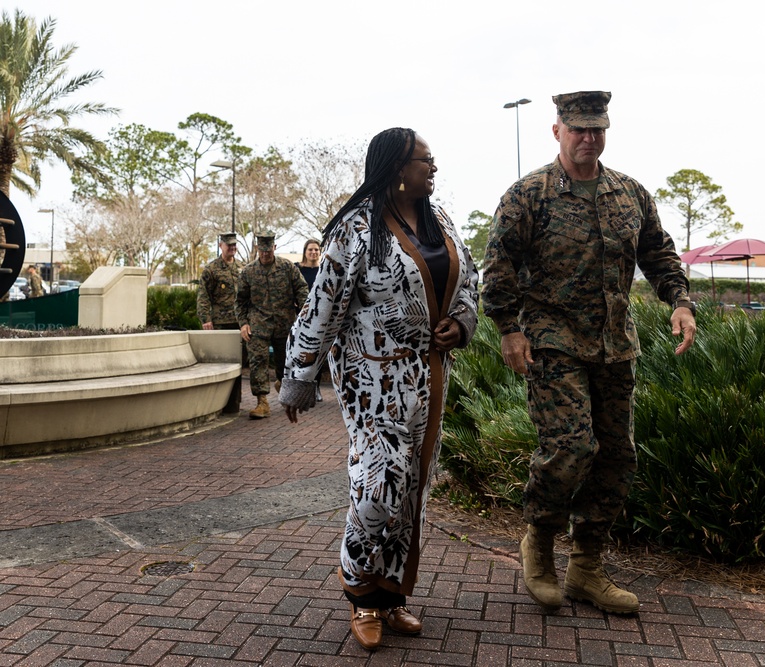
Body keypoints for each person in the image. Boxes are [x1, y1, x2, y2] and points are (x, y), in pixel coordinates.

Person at [481, 91, 696, 616]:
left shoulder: (630, 194)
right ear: (557, 131)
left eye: (597, 128)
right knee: (572, 446)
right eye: (578, 129)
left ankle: (586, 568)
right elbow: (499, 265)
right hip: (552, 342)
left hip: (615, 344)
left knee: (618, 456)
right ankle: (540, 543)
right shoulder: (528, 195)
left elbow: (658, 252)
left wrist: (680, 301)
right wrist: (510, 328)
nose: (588, 138)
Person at [279, 128, 478, 651]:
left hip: (428, 377)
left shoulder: (441, 221)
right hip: (371, 383)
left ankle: (389, 599)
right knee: (379, 488)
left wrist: (460, 324)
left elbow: (468, 282)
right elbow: (323, 305)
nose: (433, 168)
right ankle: (359, 590)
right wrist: (300, 374)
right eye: (425, 161)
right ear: (396, 168)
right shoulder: (355, 230)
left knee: (411, 489)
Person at [237, 231, 309, 420]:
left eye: (268, 251)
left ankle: (280, 382)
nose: (265, 254)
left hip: (284, 323)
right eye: (262, 251)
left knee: (285, 362)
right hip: (258, 324)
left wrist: (304, 313)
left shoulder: (287, 268)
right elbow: (240, 301)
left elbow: (301, 289)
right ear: (257, 249)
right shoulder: (248, 271)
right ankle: (262, 402)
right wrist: (243, 323)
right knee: (258, 360)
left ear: (274, 248)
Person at [197, 233, 244, 412]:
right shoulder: (211, 269)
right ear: (220, 245)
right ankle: (221, 404)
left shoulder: (242, 267)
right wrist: (206, 319)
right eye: (228, 245)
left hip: (240, 323)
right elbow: (203, 297)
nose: (232, 248)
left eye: (234, 245)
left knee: (239, 363)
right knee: (223, 364)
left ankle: (235, 403)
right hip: (221, 324)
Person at [294, 238, 325, 402]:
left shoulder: (324, 270)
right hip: (299, 319)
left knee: (316, 354)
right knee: (299, 355)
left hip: (319, 319)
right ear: (305, 252)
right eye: (310, 250)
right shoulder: (296, 270)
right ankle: (299, 388)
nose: (313, 252)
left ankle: (315, 388)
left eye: (316, 250)